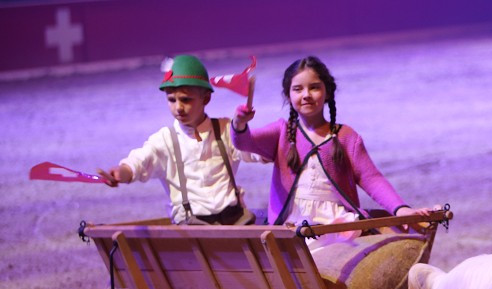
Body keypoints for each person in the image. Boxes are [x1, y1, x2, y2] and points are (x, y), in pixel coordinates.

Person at [230, 55, 429, 228]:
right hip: (294, 225)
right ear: (288, 96)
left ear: (327, 92)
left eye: (314, 88)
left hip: (336, 224)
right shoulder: (282, 132)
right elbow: (244, 142)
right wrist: (239, 123)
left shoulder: (346, 136)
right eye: (298, 89)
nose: (306, 95)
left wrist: (400, 208)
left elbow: (371, 177)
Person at [97, 54, 260, 225]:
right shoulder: (165, 140)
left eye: (185, 100)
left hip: (234, 220)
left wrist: (240, 127)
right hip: (193, 225)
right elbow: (140, 161)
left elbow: (252, 152)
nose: (178, 108)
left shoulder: (225, 129)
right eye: (171, 100)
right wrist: (122, 172)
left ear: (205, 99)